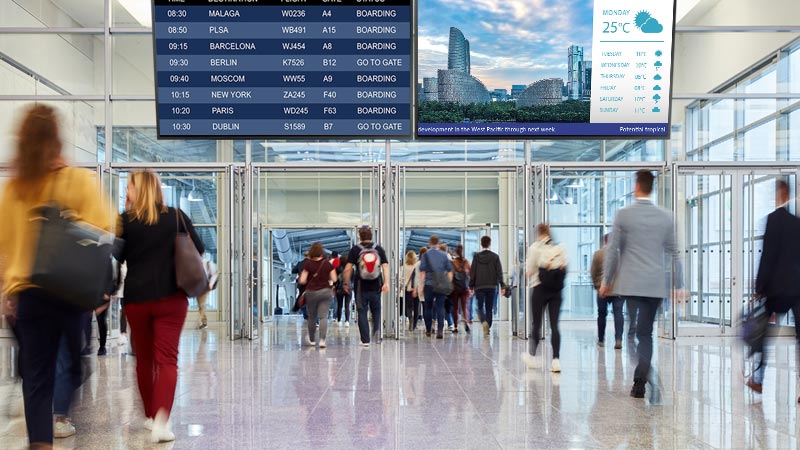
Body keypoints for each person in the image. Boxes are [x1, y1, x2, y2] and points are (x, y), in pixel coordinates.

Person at [0, 104, 113, 449]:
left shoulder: (13, 191)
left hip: (28, 296)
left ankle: (41, 444)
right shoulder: (76, 180)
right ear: (56, 139)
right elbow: (106, 229)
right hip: (70, 292)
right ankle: (62, 415)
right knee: (74, 364)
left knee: (36, 378)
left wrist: (6, 293)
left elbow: (3, 250)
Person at [120, 169, 204, 443]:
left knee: (143, 361)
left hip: (136, 299)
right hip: (172, 297)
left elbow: (115, 256)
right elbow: (199, 249)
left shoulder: (125, 222)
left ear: (138, 190)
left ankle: (149, 415)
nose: (126, 192)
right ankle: (161, 421)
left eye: (129, 188)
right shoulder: (176, 216)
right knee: (167, 359)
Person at [600, 170, 679, 399]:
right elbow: (674, 253)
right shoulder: (666, 216)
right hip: (655, 286)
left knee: (633, 333)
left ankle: (645, 375)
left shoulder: (624, 214)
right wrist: (678, 283)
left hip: (632, 285)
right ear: (651, 187)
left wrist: (606, 281)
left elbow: (613, 251)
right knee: (646, 334)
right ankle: (640, 381)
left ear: (636, 186)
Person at [748, 179, 800, 398]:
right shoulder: (797, 223)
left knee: (763, 335)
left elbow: (767, 257)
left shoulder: (772, 220)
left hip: (776, 289)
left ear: (781, 193)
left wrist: (759, 287)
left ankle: (758, 379)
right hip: (797, 288)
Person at [522, 224, 568, 372]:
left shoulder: (535, 248)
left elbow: (529, 271)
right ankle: (556, 361)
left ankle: (532, 356)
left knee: (537, 324)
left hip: (539, 289)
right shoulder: (559, 248)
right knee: (554, 325)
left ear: (538, 233)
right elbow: (564, 267)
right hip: (556, 291)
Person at [343, 226, 389, 347]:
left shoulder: (355, 250)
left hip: (360, 286)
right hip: (376, 285)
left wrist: (346, 283)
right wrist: (386, 282)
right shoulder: (378, 249)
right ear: (371, 236)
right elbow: (385, 266)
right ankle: (377, 333)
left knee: (362, 312)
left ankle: (365, 340)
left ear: (360, 236)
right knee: (376, 310)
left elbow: (348, 269)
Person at [299, 242, 337, 348]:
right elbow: (334, 279)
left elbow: (302, 280)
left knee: (312, 317)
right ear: (322, 252)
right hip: (325, 292)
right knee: (323, 317)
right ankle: (322, 341)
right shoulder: (327, 264)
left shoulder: (308, 264)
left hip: (311, 293)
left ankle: (311, 340)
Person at [469, 236, 506, 337]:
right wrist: (502, 285)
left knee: (480, 307)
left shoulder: (476, 257)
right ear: (489, 244)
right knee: (489, 308)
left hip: (479, 286)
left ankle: (483, 322)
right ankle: (488, 326)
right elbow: (499, 272)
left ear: (481, 244)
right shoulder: (495, 257)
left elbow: (473, 272)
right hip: (491, 286)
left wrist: (471, 286)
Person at [592, 233, 624, 349]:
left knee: (601, 314)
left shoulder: (598, 254)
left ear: (604, 241)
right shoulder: (621, 255)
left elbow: (593, 272)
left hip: (602, 290)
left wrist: (597, 286)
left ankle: (601, 340)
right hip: (618, 290)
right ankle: (618, 340)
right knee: (618, 314)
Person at [419, 235, 453, 339]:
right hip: (441, 284)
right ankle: (440, 331)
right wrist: (448, 283)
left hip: (429, 284)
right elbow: (450, 271)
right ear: (438, 243)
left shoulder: (425, 255)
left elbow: (423, 272)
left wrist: (421, 286)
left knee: (428, 307)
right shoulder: (444, 255)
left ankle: (429, 329)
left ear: (430, 243)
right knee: (440, 307)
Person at [451, 244, 472, 334]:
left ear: (456, 251)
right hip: (465, 287)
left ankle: (455, 326)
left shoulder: (452, 262)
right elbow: (470, 275)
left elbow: (450, 275)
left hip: (455, 288)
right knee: (464, 306)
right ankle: (466, 321)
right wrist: (471, 287)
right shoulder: (466, 262)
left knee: (455, 307)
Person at [197, 255, 218, 329]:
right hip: (198, 287)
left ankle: (202, 322)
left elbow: (214, 274)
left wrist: (211, 284)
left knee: (201, 304)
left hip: (206, 287)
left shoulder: (208, 263)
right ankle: (203, 321)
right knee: (200, 305)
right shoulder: (195, 262)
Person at [403, 250, 421, 331]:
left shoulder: (404, 267)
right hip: (416, 289)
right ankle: (414, 325)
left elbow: (401, 279)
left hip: (407, 289)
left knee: (408, 306)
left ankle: (410, 317)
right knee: (416, 307)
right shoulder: (416, 266)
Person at [334, 255, 351, 326]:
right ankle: (347, 321)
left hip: (339, 289)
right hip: (348, 289)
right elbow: (352, 280)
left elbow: (335, 280)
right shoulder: (350, 269)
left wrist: (334, 287)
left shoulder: (337, 269)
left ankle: (339, 320)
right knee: (347, 305)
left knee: (339, 305)